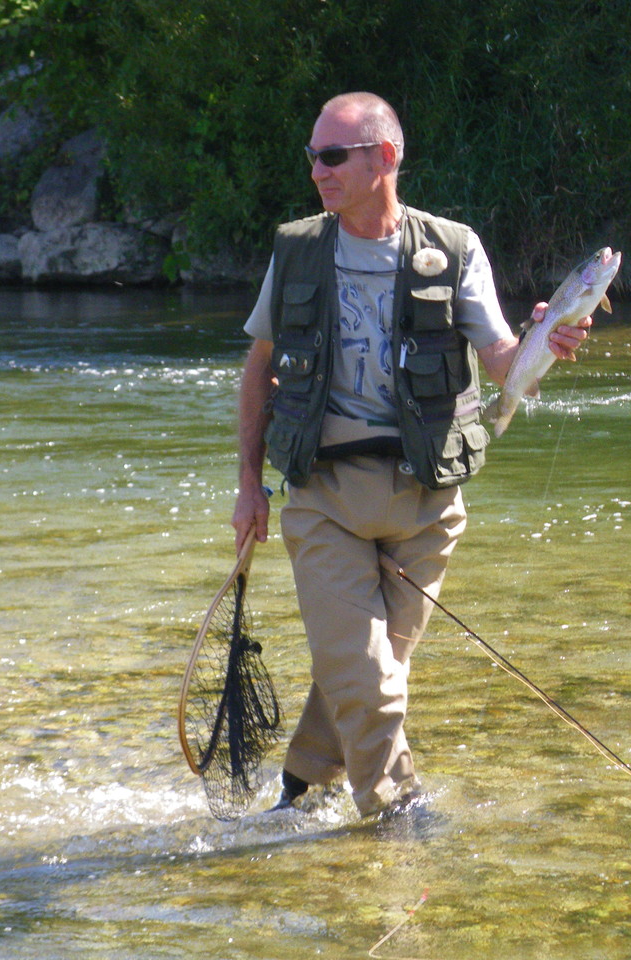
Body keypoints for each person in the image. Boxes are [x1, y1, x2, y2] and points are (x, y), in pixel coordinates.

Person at [231, 91, 592, 817]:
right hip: (324, 501)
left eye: (332, 156)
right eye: (312, 158)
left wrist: (543, 345)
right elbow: (257, 371)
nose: (318, 172)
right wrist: (248, 484)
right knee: (371, 683)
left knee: (370, 675)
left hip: (426, 509)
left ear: (384, 157)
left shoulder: (453, 249)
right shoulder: (297, 250)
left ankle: (298, 794)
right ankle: (399, 819)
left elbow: (500, 359)